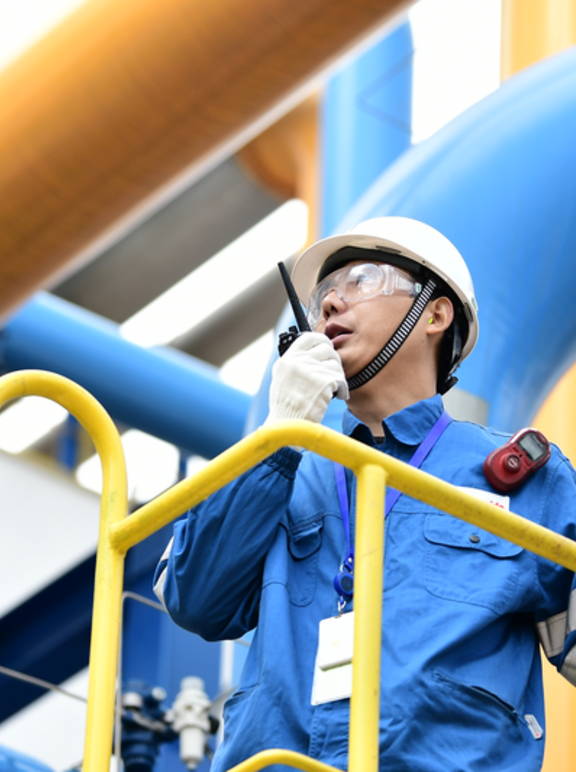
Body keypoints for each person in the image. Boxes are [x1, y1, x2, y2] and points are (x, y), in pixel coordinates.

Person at [154, 217, 576, 772]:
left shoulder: (522, 478)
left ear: (435, 313)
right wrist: (279, 435)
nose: (331, 304)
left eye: (363, 279)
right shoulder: (283, 473)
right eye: (324, 294)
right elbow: (195, 600)